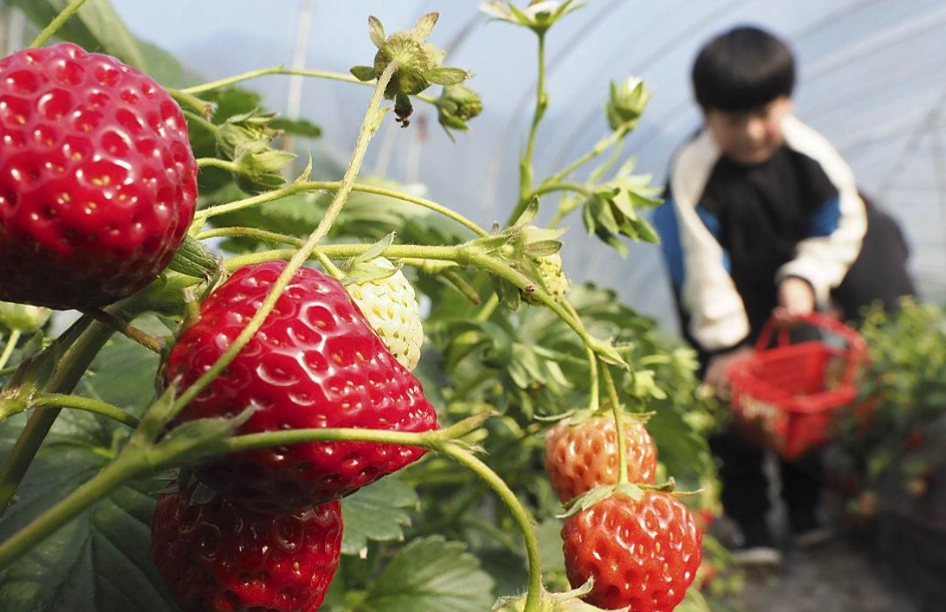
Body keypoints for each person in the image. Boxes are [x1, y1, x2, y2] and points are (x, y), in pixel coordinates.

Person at [652, 25, 870, 566]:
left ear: (787, 101)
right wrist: (727, 345)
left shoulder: (808, 155)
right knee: (737, 418)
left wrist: (805, 277)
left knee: (802, 409)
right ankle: (753, 524)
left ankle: (806, 512)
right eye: (733, 121)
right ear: (707, 115)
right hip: (719, 318)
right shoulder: (694, 171)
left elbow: (842, 222)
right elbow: (697, 263)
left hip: (792, 310)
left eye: (764, 115)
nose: (752, 133)